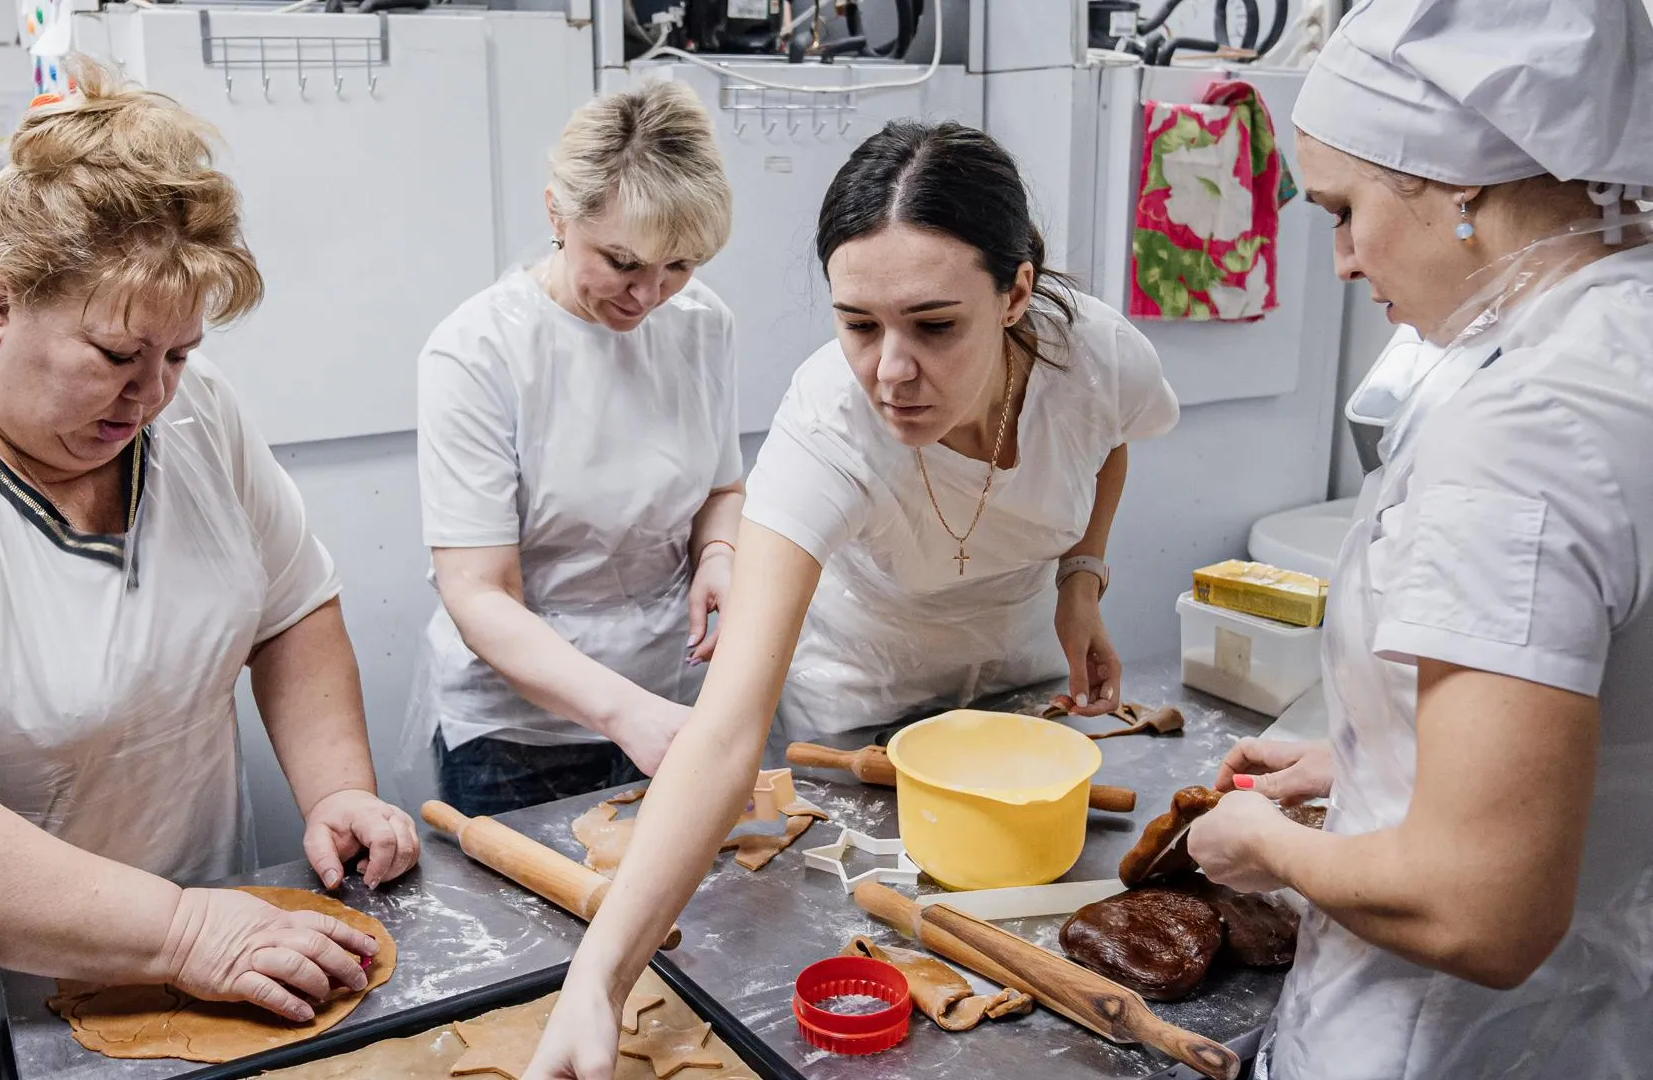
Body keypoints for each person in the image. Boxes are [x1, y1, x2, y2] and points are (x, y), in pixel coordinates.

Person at [0, 63, 419, 1080]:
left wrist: (338, 792)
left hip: (169, 947)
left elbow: (289, 609)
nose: (150, 394)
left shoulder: (194, 412)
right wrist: (188, 934)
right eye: (113, 354)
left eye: (178, 355)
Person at [522, 120, 1179, 1077]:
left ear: (1017, 296)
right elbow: (724, 727)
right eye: (858, 325)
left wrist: (1082, 579)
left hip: (1016, 679)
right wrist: (597, 980)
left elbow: (1111, 438)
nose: (892, 372)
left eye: (935, 325)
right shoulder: (829, 425)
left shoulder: (1094, 357)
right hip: (863, 701)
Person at [1179, 2, 1653, 1077]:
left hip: (1443, 1043)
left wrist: (1270, 848)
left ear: (1459, 186)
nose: (1341, 261)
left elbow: (1481, 910)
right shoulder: (1619, 348)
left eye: (1345, 210)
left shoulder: (1523, 431)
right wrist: (1373, 755)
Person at [408, 80, 740, 816]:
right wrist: (627, 714)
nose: (649, 295)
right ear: (557, 212)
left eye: (679, 265)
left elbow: (721, 487)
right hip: (518, 738)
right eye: (622, 262)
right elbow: (478, 593)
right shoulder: (477, 353)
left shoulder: (702, 324)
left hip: (671, 696)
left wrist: (719, 554)